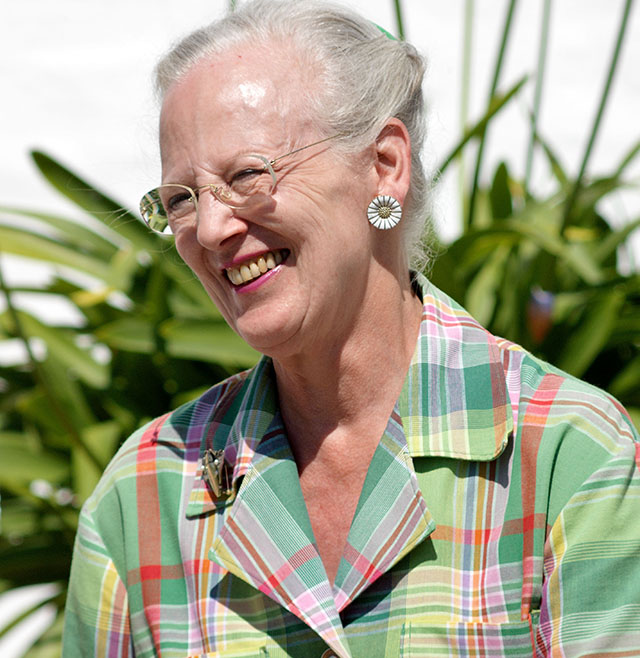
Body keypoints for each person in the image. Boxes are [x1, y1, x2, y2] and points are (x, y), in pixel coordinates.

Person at [63, 1, 640, 656]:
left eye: (248, 175)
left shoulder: (567, 458)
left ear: (384, 164)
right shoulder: (144, 496)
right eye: (180, 200)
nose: (212, 229)